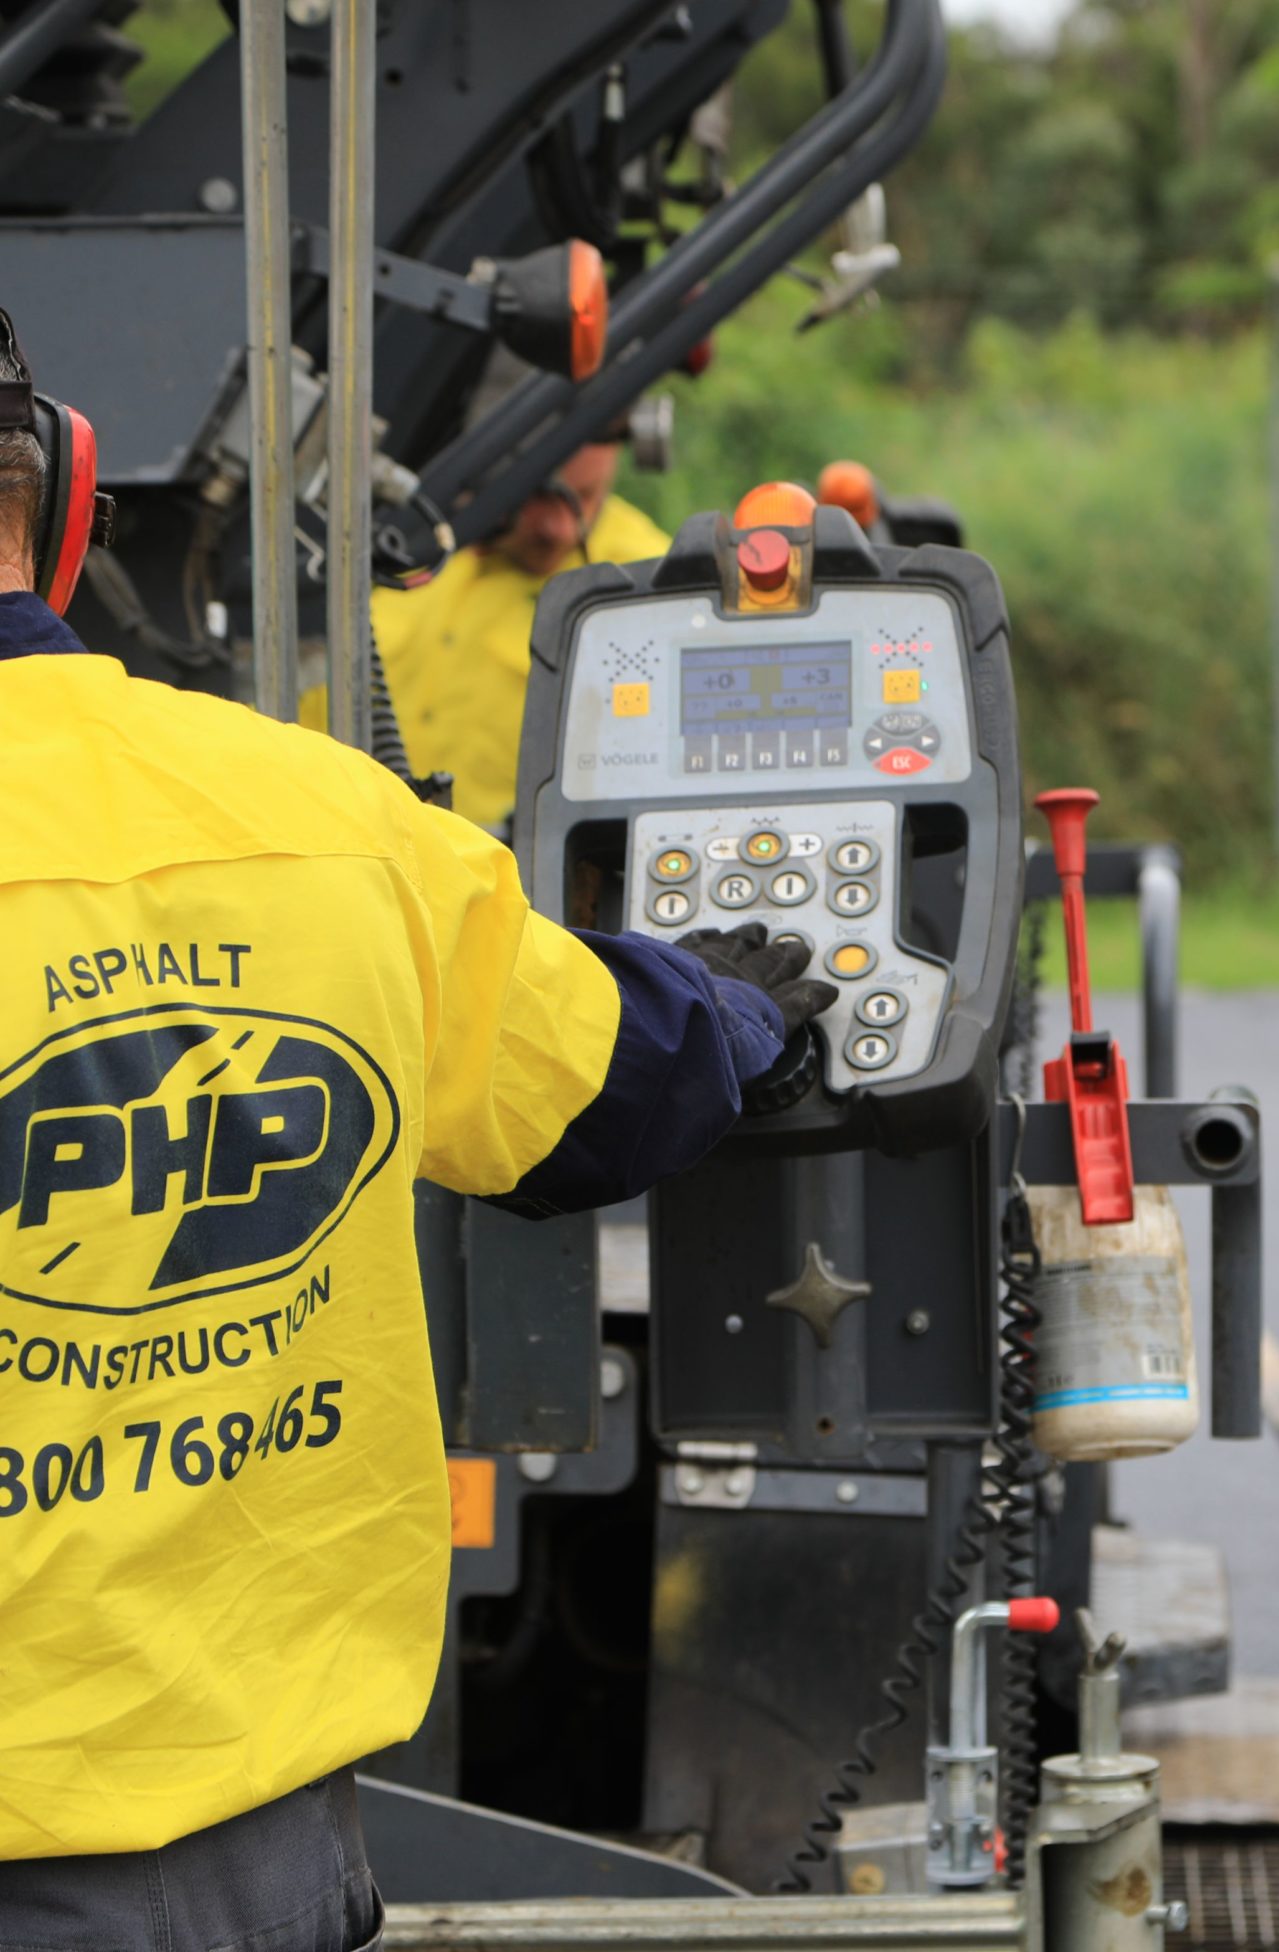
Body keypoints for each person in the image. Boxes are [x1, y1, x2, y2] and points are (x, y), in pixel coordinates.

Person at [0, 312, 831, 1942]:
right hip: (234, 1863)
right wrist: (741, 1010)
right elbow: (597, 1081)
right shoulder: (322, 820)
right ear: (77, 488)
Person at [366, 434, 670, 829]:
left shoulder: (648, 583)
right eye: (542, 494)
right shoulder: (404, 541)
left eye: (585, 495)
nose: (560, 528)